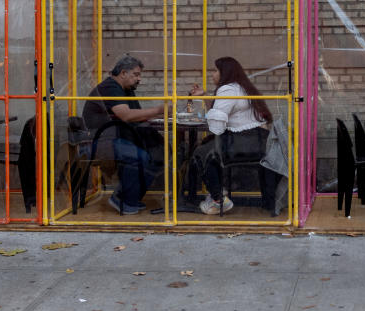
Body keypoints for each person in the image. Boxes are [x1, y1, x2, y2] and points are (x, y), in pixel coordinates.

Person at [187, 56, 275, 215]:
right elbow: (220, 112)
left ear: (224, 73)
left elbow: (217, 122)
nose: (212, 74)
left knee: (201, 153)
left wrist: (210, 134)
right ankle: (221, 191)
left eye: (215, 70)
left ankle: (218, 199)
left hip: (244, 141)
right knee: (208, 149)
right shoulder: (241, 87)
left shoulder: (227, 89)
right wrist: (205, 96)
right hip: (258, 139)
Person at [82, 55, 166, 215]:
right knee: (139, 156)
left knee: (158, 152)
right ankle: (121, 199)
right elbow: (127, 115)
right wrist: (158, 110)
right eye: (136, 74)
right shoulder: (111, 87)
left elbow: (137, 115)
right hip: (99, 141)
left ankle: (131, 198)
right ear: (123, 73)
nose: (139, 79)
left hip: (113, 138)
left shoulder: (125, 90)